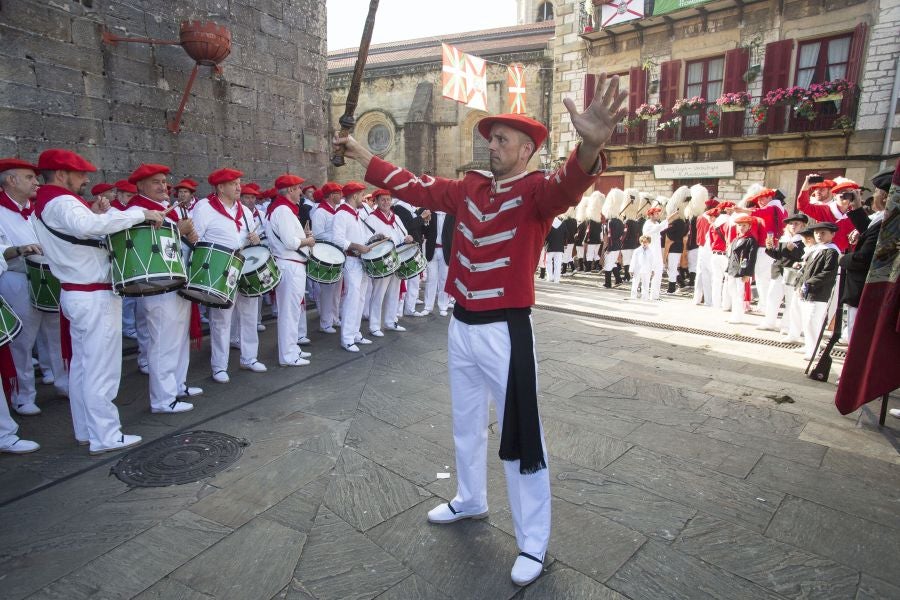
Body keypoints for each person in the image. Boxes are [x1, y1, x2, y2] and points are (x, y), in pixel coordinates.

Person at [335, 71, 627, 587]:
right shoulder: (469, 187)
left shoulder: (539, 193)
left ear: (526, 151)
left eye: (502, 140)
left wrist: (590, 146)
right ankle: (471, 499)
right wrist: (361, 152)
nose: (491, 145)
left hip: (505, 331)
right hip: (461, 325)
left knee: (521, 434)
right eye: (490, 138)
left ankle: (532, 543)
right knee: (465, 421)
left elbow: (571, 183)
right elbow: (416, 187)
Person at [32, 148, 164, 454]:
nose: (86, 179)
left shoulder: (51, 201)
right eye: (80, 174)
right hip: (91, 294)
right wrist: (138, 213)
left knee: (83, 368)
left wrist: (98, 212)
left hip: (79, 291)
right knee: (100, 369)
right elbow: (86, 228)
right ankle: (105, 434)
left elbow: (83, 227)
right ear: (62, 174)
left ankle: (87, 431)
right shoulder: (61, 200)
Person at [124, 164, 202, 413]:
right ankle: (162, 399)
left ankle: (178, 385)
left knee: (179, 338)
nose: (163, 186)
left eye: (164, 181)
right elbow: (145, 246)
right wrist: (179, 231)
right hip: (157, 283)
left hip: (176, 278)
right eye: (156, 182)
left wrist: (190, 236)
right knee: (162, 342)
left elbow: (184, 241)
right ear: (140, 186)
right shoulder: (137, 210)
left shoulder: (165, 210)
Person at [0, 158, 68, 415]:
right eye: (29, 177)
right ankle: (23, 395)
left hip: (47, 275)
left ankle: (63, 382)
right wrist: (18, 250)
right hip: (17, 277)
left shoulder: (36, 209)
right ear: (11, 180)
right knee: (22, 340)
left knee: (55, 334)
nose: (36, 182)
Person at [192, 168, 266, 383]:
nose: (238, 187)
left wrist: (254, 239)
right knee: (221, 319)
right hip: (219, 266)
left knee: (250, 314)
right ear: (220, 187)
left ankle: (249, 357)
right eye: (233, 183)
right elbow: (196, 240)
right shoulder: (204, 208)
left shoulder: (243, 209)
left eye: (239, 182)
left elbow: (252, 237)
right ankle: (219, 366)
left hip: (244, 264)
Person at [266, 173, 315, 367]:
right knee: (289, 312)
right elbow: (290, 242)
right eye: (298, 188)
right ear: (290, 190)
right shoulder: (283, 211)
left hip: (291, 264)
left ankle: (292, 348)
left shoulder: (282, 209)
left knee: (293, 311)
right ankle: (287, 354)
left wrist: (304, 235)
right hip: (289, 264)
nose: (301, 191)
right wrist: (308, 240)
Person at [331, 182, 373, 352]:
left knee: (360, 298)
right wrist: (357, 246)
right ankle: (347, 338)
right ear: (354, 196)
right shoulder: (342, 214)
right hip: (350, 260)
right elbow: (337, 239)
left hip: (360, 260)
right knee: (352, 298)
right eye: (362, 194)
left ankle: (355, 332)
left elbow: (360, 235)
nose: (364, 197)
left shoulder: (357, 213)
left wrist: (372, 239)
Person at [365, 189, 412, 336]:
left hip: (397, 258)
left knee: (394, 291)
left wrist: (408, 237)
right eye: (383, 200)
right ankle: (374, 326)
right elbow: (367, 241)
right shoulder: (371, 219)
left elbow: (404, 234)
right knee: (378, 293)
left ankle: (390, 321)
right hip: (382, 260)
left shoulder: (395, 217)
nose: (386, 202)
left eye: (388, 199)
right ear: (377, 202)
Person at [795, 222, 840, 360]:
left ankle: (813, 350)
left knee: (812, 320)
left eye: (823, 233)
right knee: (806, 320)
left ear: (832, 234)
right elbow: (806, 270)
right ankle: (809, 346)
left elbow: (828, 273)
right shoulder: (816, 249)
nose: (819, 235)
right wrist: (799, 284)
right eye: (817, 233)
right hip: (807, 290)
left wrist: (809, 283)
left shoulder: (831, 251)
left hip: (819, 292)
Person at [759, 214, 808, 332]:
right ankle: (769, 322)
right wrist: (770, 248)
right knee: (772, 297)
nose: (793, 226)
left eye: (796, 223)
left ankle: (786, 326)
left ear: (803, 225)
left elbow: (801, 257)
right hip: (778, 271)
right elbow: (778, 256)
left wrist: (791, 250)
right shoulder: (784, 238)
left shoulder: (803, 240)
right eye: (791, 223)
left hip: (792, 272)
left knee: (790, 300)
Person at [311, 181, 343, 333]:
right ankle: (325, 322)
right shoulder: (320, 212)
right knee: (327, 290)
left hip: (337, 253)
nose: (341, 195)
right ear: (331, 196)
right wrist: (336, 236)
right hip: (326, 254)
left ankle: (335, 318)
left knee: (337, 289)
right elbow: (317, 235)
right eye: (338, 193)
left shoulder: (336, 210)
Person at [796, 176, 857, 252]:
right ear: (835, 194)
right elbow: (802, 205)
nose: (846, 196)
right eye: (842, 192)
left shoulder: (855, 214)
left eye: (850, 193)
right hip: (823, 253)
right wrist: (806, 185)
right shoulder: (825, 210)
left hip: (843, 256)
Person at [724, 215, 759, 324]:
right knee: (732, 293)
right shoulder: (735, 239)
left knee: (739, 294)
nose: (741, 227)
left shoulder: (751, 240)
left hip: (741, 271)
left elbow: (751, 259)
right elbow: (731, 256)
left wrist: (748, 274)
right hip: (732, 270)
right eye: (739, 225)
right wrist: (727, 270)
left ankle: (737, 317)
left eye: (744, 225)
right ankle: (734, 315)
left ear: (749, 226)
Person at [421, 209, 454, 316]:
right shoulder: (430, 212)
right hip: (432, 250)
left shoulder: (452, 214)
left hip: (446, 250)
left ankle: (443, 305)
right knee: (431, 279)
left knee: (444, 279)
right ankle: (428, 306)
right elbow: (424, 231)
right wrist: (425, 221)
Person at [642, 206, 678, 301]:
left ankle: (655, 296)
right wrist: (670, 217)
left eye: (658, 213)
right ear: (651, 215)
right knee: (647, 274)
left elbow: (660, 226)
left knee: (658, 273)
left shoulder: (657, 223)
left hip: (656, 253)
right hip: (649, 253)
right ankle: (644, 295)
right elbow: (659, 227)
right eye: (656, 213)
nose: (658, 215)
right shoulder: (648, 224)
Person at [601, 189, 625, 288]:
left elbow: (609, 237)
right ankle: (618, 280)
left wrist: (607, 249)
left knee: (607, 265)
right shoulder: (620, 222)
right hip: (617, 246)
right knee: (613, 264)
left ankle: (607, 283)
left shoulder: (610, 222)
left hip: (612, 247)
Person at [629, 235, 653, 300]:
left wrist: (652, 270)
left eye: (646, 242)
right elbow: (633, 260)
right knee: (635, 283)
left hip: (647, 270)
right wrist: (631, 269)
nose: (645, 243)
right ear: (641, 242)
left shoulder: (651, 251)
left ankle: (645, 297)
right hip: (637, 269)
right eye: (643, 242)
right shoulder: (637, 250)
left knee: (646, 284)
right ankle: (633, 296)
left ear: (649, 243)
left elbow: (652, 261)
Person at [544, 213, 566, 283]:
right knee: (558, 264)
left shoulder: (549, 224)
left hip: (550, 247)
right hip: (559, 247)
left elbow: (545, 236)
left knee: (548, 262)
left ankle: (550, 277)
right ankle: (557, 279)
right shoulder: (563, 224)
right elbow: (566, 235)